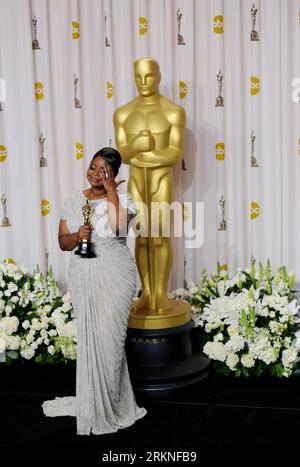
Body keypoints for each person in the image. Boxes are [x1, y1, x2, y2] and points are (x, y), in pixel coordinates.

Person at [42, 147, 147, 435]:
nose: (96, 174)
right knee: (91, 341)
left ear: (113, 173)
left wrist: (111, 190)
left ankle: (113, 406)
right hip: (84, 273)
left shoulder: (124, 199)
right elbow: (63, 242)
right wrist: (77, 236)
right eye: (92, 167)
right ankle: (94, 402)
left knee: (111, 341)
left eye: (104, 170)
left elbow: (116, 228)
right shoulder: (74, 199)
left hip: (115, 273)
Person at [113, 57, 186, 316]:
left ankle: (161, 295)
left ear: (159, 76)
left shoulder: (172, 111)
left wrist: (145, 153)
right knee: (142, 238)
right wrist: (136, 147)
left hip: (160, 181)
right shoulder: (123, 113)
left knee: (160, 236)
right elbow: (120, 154)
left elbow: (175, 153)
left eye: (150, 76)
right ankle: (146, 295)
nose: (144, 82)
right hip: (135, 181)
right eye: (139, 77)